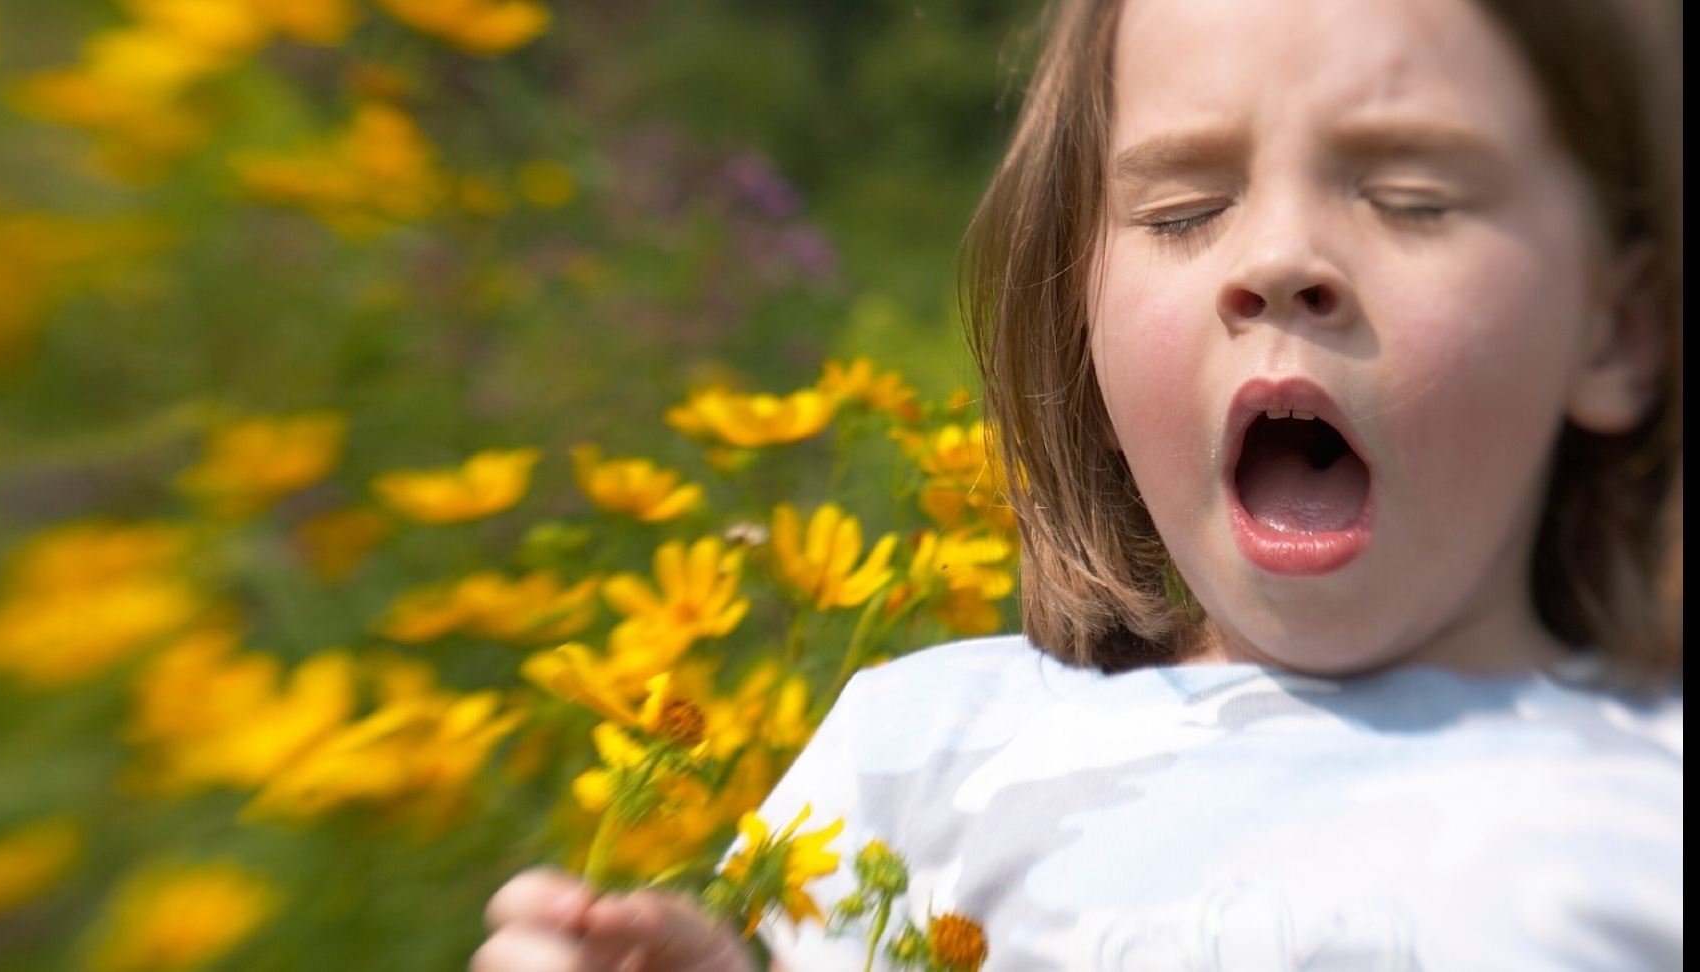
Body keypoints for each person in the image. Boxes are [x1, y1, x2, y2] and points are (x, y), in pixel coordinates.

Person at [474, 0, 1684, 967]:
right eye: (1185, 209)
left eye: (1410, 198)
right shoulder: (921, 752)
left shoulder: (1646, 809)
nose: (1273, 262)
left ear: (1614, 328)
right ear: (1079, 308)